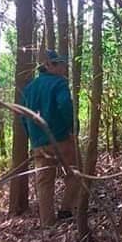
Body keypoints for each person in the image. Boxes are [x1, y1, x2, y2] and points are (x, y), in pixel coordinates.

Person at [21, 50, 78, 227]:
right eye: (60, 64)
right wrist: (71, 127)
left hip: (39, 143)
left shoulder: (29, 88)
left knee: (44, 182)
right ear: (49, 66)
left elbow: (23, 116)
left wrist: (32, 137)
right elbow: (65, 105)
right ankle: (66, 209)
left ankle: (47, 222)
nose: (63, 67)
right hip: (61, 138)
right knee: (75, 172)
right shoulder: (59, 83)